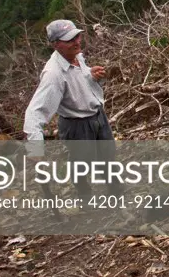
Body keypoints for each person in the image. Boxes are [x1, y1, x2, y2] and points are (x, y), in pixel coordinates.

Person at [23, 20, 116, 198]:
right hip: (77, 125)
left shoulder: (76, 56)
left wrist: (92, 76)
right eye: (69, 39)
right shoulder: (54, 74)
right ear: (56, 45)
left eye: (77, 36)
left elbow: (79, 81)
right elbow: (35, 113)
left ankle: (115, 192)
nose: (77, 41)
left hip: (98, 117)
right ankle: (85, 197)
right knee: (82, 165)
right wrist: (35, 149)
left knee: (108, 155)